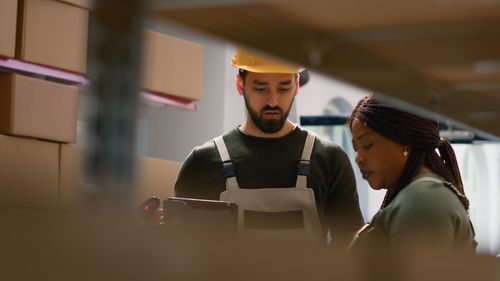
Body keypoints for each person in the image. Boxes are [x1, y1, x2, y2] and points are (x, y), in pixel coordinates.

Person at [175, 48, 363, 247]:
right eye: (260, 88)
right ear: (240, 85)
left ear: (297, 85)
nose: (273, 101)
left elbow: (350, 248)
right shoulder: (203, 162)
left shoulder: (329, 159)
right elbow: (185, 252)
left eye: (283, 88)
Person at [347, 95, 477, 253]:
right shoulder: (419, 195)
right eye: (356, 148)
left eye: (367, 145)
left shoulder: (423, 200)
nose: (358, 159)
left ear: (404, 142)